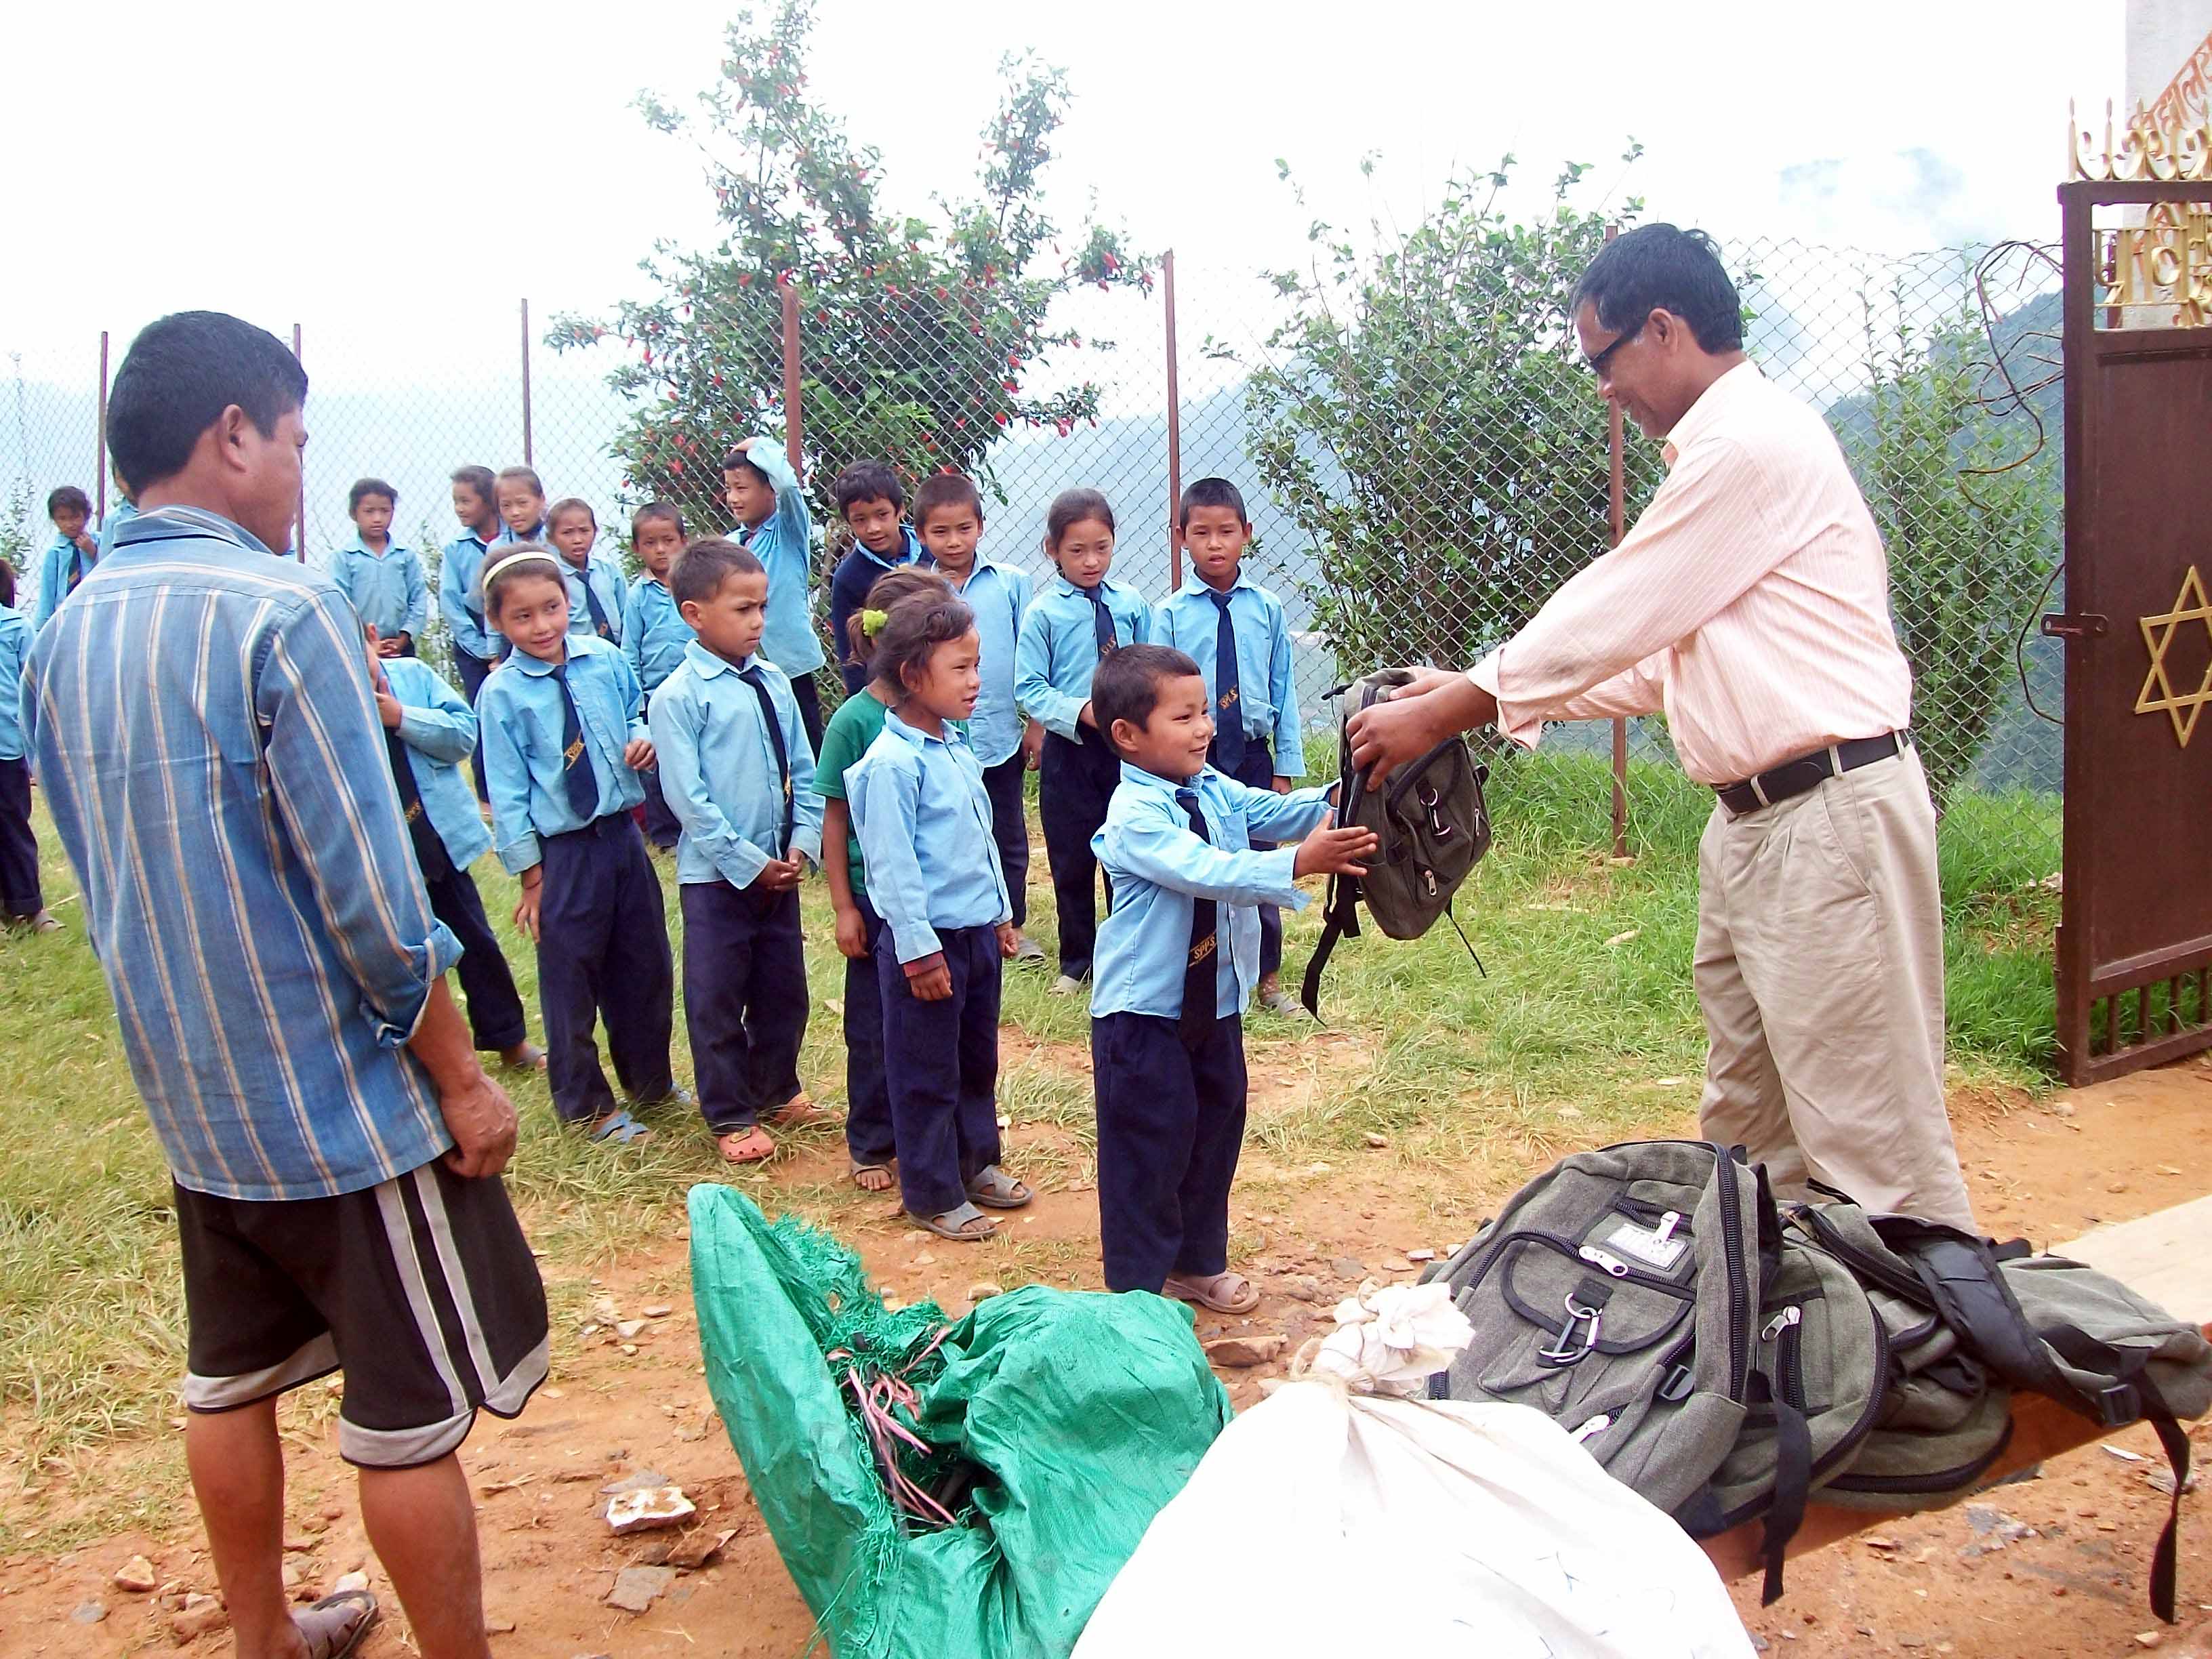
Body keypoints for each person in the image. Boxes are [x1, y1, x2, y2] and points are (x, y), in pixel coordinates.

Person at [24, 309, 545, 1659]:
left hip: (197, 1101)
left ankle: (263, 1640)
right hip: (339, 1109)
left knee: (230, 1380)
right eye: (300, 438)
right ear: (234, 434)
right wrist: (464, 1078)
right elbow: (375, 909)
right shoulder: (287, 607)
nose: (305, 466)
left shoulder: (66, 632)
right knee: (408, 1414)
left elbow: (98, 870)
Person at [1345, 224, 1976, 1232]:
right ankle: (1780, 1348)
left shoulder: (1749, 444)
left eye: (1606, 359)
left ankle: (1936, 1368)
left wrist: (1452, 707)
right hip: (1762, 827)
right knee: (1750, 1134)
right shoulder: (1728, 452)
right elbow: (1654, 660)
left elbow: (1619, 606)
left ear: (1666, 328)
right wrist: (1474, 682)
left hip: (1830, 819)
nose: (1605, 388)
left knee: (1872, 1144)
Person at [1088, 644, 1372, 1309]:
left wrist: (1338, 797)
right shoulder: (1138, 816)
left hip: (1213, 1005)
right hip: (1144, 1017)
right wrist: (1300, 864)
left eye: (1205, 712)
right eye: (1183, 717)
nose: (1204, 728)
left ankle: (1195, 1262)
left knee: (1213, 1133)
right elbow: (1205, 871)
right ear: (1128, 736)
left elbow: (1269, 814)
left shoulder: (1209, 787)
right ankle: (1137, 1293)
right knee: (1148, 1146)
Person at [477, 546, 679, 1146]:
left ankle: (651, 1084)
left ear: (569, 603)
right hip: (563, 853)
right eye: (523, 617)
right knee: (571, 979)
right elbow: (508, 791)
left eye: (551, 608)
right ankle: (587, 1105)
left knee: (644, 965)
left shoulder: (606, 661)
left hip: (622, 837)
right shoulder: (503, 693)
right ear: (498, 622)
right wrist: (531, 876)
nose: (542, 626)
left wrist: (642, 737)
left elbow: (635, 709)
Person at [849, 591, 1032, 1242]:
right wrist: (919, 952)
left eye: (977, 665)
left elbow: (980, 840)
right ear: (912, 677)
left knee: (974, 1058)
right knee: (924, 1070)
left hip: (975, 935)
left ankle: (975, 1162)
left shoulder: (956, 748)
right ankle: (929, 1191)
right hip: (925, 948)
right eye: (960, 668)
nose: (976, 681)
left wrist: (1001, 915)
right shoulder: (889, 766)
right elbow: (891, 870)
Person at [649, 537, 823, 1166]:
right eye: (742, 609)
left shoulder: (774, 680)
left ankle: (776, 1088)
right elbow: (688, 800)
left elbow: (805, 768)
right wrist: (746, 863)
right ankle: (729, 1113)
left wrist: (801, 845)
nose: (757, 622)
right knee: (717, 995)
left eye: (762, 608)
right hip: (717, 879)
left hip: (780, 871)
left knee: (784, 990)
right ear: (695, 614)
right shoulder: (678, 697)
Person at [814, 564, 956, 1192]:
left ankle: (933, 1137)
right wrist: (845, 907)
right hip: (878, 904)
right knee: (874, 1027)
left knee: (931, 1028)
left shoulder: (950, 720)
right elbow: (835, 820)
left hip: (936, 906)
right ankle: (871, 1142)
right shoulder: (853, 723)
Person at [1153, 478, 1307, 1017]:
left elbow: (1284, 688)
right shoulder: (1169, 615)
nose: (1215, 544)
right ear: (1181, 538)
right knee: (1203, 859)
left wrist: (1286, 766)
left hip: (1254, 753)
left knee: (1261, 861)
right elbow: (1158, 694)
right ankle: (1202, 967)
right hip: (1196, 756)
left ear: (1247, 534)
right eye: (1201, 533)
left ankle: (1267, 977)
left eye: (1226, 532)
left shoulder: (1266, 609)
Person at [365, 626, 544, 1072]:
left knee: (475, 943)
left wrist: (402, 717)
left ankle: (509, 1041)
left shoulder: (413, 676)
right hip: (384, 853)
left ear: (371, 637)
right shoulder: (327, 701)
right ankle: (423, 1058)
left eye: (357, 652)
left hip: (440, 839)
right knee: (404, 958)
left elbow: (464, 734)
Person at [1015, 488, 1150, 993]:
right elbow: (1028, 687)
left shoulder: (1133, 606)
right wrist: (1082, 712)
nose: (1091, 561)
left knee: (1127, 851)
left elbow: (1152, 667)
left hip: (1126, 751)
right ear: (1052, 550)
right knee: (1071, 857)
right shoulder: (1044, 614)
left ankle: (1128, 955)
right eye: (1077, 551)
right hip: (1069, 751)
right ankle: (1077, 962)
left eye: (1102, 548)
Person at [914, 472, 1044, 965]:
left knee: (1007, 833)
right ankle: (954, 923)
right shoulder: (917, 586)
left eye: (963, 529)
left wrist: (1035, 723)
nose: (954, 541)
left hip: (999, 736)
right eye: (940, 532)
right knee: (948, 831)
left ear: (981, 527)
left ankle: (1014, 925)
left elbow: (1031, 658)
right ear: (922, 534)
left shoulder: (1011, 584)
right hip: (939, 739)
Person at [723, 436, 826, 751]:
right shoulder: (730, 544)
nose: (734, 498)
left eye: (742, 488)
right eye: (729, 488)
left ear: (769, 491)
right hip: (745, 662)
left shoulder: (789, 530)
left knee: (807, 744)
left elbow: (788, 484)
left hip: (791, 663)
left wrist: (757, 446)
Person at [623, 502, 693, 853]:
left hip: (694, 690)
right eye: (650, 543)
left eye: (668, 540)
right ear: (637, 548)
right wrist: (634, 702)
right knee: (658, 764)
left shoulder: (694, 588)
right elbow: (629, 650)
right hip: (653, 694)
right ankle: (664, 834)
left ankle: (695, 824)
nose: (661, 549)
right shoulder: (637, 595)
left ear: (683, 540)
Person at [827, 459, 922, 695]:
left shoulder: (930, 551)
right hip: (888, 690)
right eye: (860, 520)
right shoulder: (848, 579)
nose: (874, 528)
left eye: (882, 515)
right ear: (848, 521)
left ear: (900, 510)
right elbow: (851, 655)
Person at [440, 465, 506, 802]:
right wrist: (481, 648)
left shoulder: (511, 539)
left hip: (511, 638)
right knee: (482, 716)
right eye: (456, 502)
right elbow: (451, 603)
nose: (460, 509)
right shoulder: (456, 549)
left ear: (490, 502)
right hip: (474, 646)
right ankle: (485, 795)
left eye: (466, 501)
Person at [0, 564, 57, 933]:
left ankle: (30, 907)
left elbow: (35, 688)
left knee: (13, 824)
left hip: (7, 748)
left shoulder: (16, 627)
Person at [330, 478, 429, 656]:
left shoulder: (405, 556)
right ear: (354, 514)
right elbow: (341, 604)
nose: (378, 519)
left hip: (401, 646)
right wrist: (365, 638)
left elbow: (418, 599)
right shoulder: (345, 558)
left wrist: (405, 636)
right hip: (360, 647)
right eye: (369, 511)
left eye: (385, 511)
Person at [547, 497, 624, 645]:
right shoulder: (552, 578)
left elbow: (626, 612)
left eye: (584, 531)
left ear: (595, 531)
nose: (577, 539)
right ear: (551, 538)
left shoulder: (608, 570)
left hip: (617, 648)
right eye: (567, 533)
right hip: (578, 652)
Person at [37, 485, 100, 630]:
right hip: (64, 621)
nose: (70, 524)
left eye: (75, 517)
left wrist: (93, 552)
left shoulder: (100, 543)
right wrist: (41, 630)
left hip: (94, 615)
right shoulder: (54, 554)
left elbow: (109, 569)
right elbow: (47, 597)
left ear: (87, 515)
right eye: (62, 519)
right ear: (54, 520)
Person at [492, 466, 551, 549]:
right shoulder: (497, 548)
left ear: (541, 500)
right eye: (506, 505)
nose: (515, 512)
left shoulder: (556, 542)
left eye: (522, 503)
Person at [95, 466, 140, 558]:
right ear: (116, 481)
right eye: (123, 478)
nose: (130, 483)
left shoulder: (164, 511)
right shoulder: (113, 520)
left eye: (134, 475)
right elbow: (105, 559)